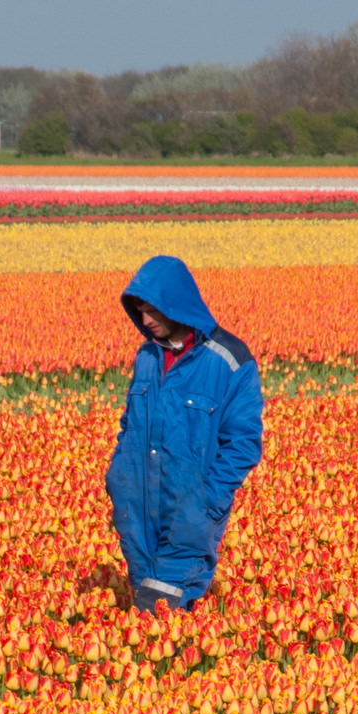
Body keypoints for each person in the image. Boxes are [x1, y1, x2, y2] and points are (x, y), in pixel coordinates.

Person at [105, 256, 263, 612]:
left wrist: (208, 503)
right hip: (137, 511)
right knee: (149, 611)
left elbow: (244, 444)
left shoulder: (229, 360)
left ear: (176, 303)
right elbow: (130, 423)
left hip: (188, 513)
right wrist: (118, 476)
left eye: (154, 311)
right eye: (140, 311)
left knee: (161, 610)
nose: (146, 321)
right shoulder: (147, 355)